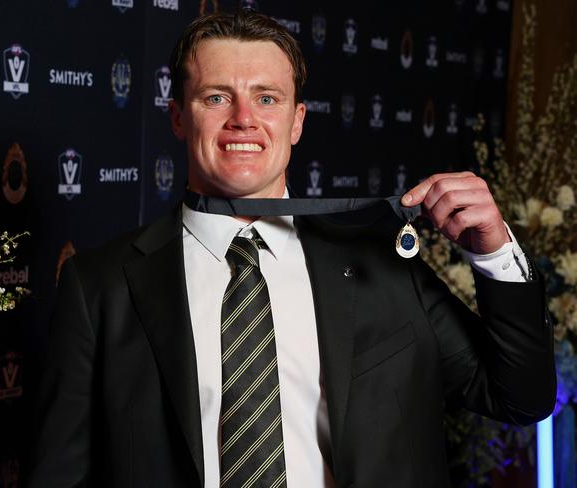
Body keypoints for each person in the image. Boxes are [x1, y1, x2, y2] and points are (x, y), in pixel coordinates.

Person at [28, 9, 556, 488]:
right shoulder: (99, 287)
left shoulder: (382, 265)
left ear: (297, 120)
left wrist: (494, 255)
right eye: (216, 97)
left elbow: (520, 396)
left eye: (267, 98)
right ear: (177, 116)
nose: (243, 119)